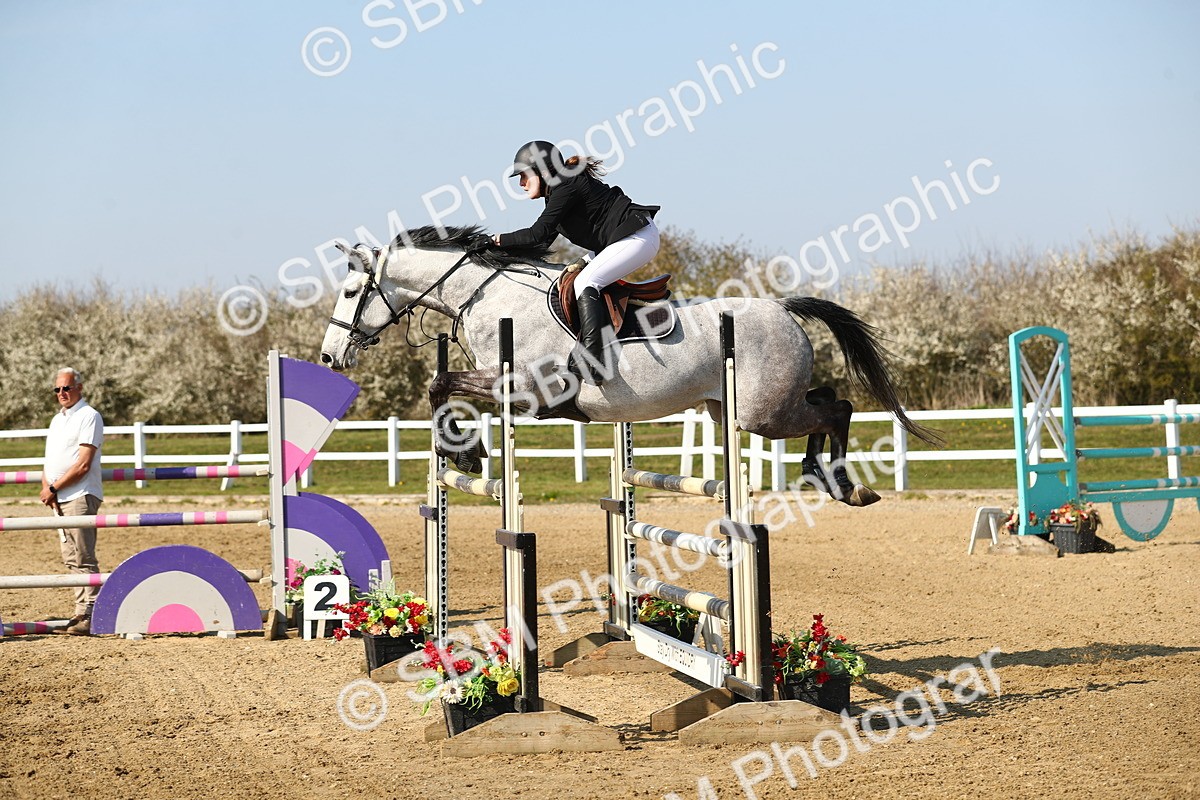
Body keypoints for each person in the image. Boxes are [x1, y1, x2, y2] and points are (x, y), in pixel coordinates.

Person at [491, 140, 661, 386]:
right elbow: (541, 243)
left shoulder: (566, 186)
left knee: (585, 281)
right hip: (619, 240)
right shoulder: (556, 195)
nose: (521, 183)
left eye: (524, 176)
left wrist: (495, 240)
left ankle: (592, 360)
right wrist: (495, 253)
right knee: (571, 278)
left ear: (544, 171)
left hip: (637, 236)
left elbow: (536, 234)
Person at [41, 368, 104, 636]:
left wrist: (54, 486)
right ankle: (80, 612)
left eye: (66, 388)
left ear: (79, 388)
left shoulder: (89, 416)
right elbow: (50, 459)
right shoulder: (57, 420)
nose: (62, 393)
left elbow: (83, 464)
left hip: (79, 495)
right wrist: (48, 487)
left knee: (83, 555)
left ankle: (92, 612)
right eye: (57, 389)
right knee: (70, 557)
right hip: (59, 497)